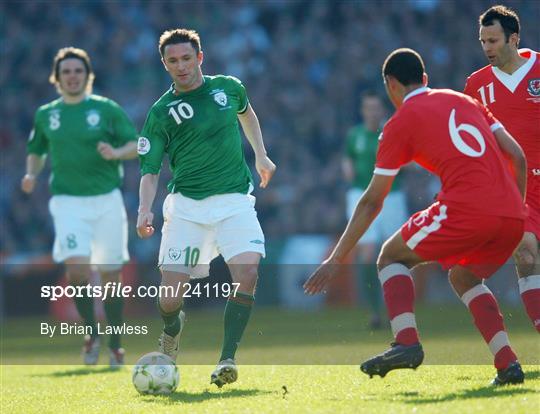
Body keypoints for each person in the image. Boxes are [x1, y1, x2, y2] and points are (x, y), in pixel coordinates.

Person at [304, 48, 527, 385]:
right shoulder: (463, 100)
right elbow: (517, 155)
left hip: (467, 210)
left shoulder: (399, 123)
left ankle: (406, 342)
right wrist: (517, 213)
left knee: (390, 257)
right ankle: (508, 364)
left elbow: (371, 202)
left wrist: (337, 257)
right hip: (511, 212)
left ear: (391, 85)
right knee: (464, 277)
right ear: (425, 79)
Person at [136, 29, 276, 388]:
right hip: (187, 209)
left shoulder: (229, 87)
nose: (181, 66)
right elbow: (149, 170)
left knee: (248, 274)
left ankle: (227, 358)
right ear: (164, 64)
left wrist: (260, 154)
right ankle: (172, 328)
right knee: (169, 299)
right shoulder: (160, 113)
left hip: (233, 200)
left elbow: (248, 114)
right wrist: (143, 210)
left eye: (186, 58)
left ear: (200, 58)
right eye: (172, 61)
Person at [21, 47, 138, 366]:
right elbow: (36, 149)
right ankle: (91, 335)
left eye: (78, 71)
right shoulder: (47, 114)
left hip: (106, 200)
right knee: (77, 269)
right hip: (68, 201)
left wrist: (116, 153)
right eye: (66, 72)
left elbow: (136, 144)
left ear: (88, 76)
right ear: (57, 78)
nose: (72, 76)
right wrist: (32, 173)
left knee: (111, 274)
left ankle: (115, 341)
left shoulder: (107, 109)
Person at [464, 5, 540, 333]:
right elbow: (468, 138)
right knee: (525, 256)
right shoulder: (477, 85)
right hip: (517, 189)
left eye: (493, 41)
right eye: (482, 41)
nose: (487, 48)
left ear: (513, 38)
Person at [343, 91, 408, 329]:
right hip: (360, 194)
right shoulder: (355, 135)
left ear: (382, 111)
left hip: (391, 196)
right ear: (363, 111)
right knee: (368, 254)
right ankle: (374, 310)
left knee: (395, 253)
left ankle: (398, 308)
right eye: (368, 108)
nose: (372, 112)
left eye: (376, 108)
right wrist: (347, 169)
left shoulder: (392, 131)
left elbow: (408, 159)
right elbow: (348, 157)